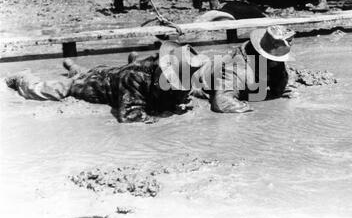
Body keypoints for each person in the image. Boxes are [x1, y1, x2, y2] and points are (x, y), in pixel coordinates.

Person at [5, 42, 205, 123]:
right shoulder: (136, 78)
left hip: (108, 72)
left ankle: (72, 66)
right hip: (93, 84)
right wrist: (161, 119)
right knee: (57, 90)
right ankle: (22, 77)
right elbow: (130, 115)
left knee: (87, 72)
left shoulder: (172, 70)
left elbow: (180, 94)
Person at [192, 2, 295, 113]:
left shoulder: (273, 63)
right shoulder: (236, 69)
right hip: (195, 82)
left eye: (278, 60)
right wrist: (257, 113)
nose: (278, 63)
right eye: (275, 60)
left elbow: (281, 89)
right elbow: (222, 103)